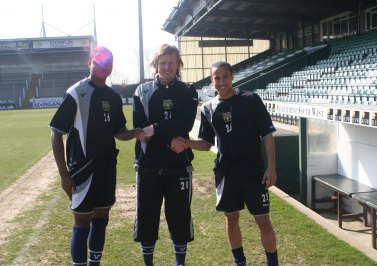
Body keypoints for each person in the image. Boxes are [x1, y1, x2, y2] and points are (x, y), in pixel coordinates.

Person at [173, 61, 279, 266]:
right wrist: (186, 142)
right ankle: (240, 263)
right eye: (217, 78)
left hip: (253, 173)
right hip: (226, 174)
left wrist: (271, 167)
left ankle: (272, 263)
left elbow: (267, 135)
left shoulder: (250, 100)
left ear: (232, 76)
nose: (221, 82)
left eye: (225, 76)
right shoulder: (208, 107)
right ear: (212, 80)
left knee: (263, 220)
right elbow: (206, 143)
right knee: (231, 220)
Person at [50, 46, 140, 266]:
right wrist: (64, 175)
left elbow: (119, 132)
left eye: (108, 63)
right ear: (89, 62)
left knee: (101, 218)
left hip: (107, 167)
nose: (103, 66)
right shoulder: (76, 92)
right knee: (82, 222)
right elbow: (56, 134)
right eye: (98, 62)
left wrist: (137, 133)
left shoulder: (113, 96)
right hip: (83, 168)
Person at [132, 44, 198, 266]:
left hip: (178, 166)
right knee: (147, 218)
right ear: (155, 65)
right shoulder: (142, 91)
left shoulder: (189, 90)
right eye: (162, 63)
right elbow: (141, 129)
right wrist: (170, 138)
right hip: (148, 167)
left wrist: (157, 129)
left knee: (179, 218)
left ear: (178, 64)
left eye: (171, 62)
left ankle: (180, 263)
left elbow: (185, 123)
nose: (167, 67)